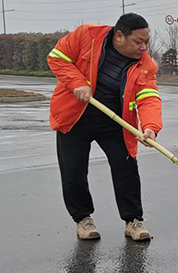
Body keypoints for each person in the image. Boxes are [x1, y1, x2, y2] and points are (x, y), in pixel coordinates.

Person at [47, 13, 162, 241]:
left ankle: (133, 221)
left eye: (147, 41)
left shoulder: (145, 64)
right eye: (138, 42)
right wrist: (77, 83)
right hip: (75, 117)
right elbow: (56, 57)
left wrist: (151, 126)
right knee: (73, 171)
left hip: (115, 121)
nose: (144, 47)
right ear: (119, 36)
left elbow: (148, 97)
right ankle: (83, 219)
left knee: (126, 169)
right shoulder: (87, 36)